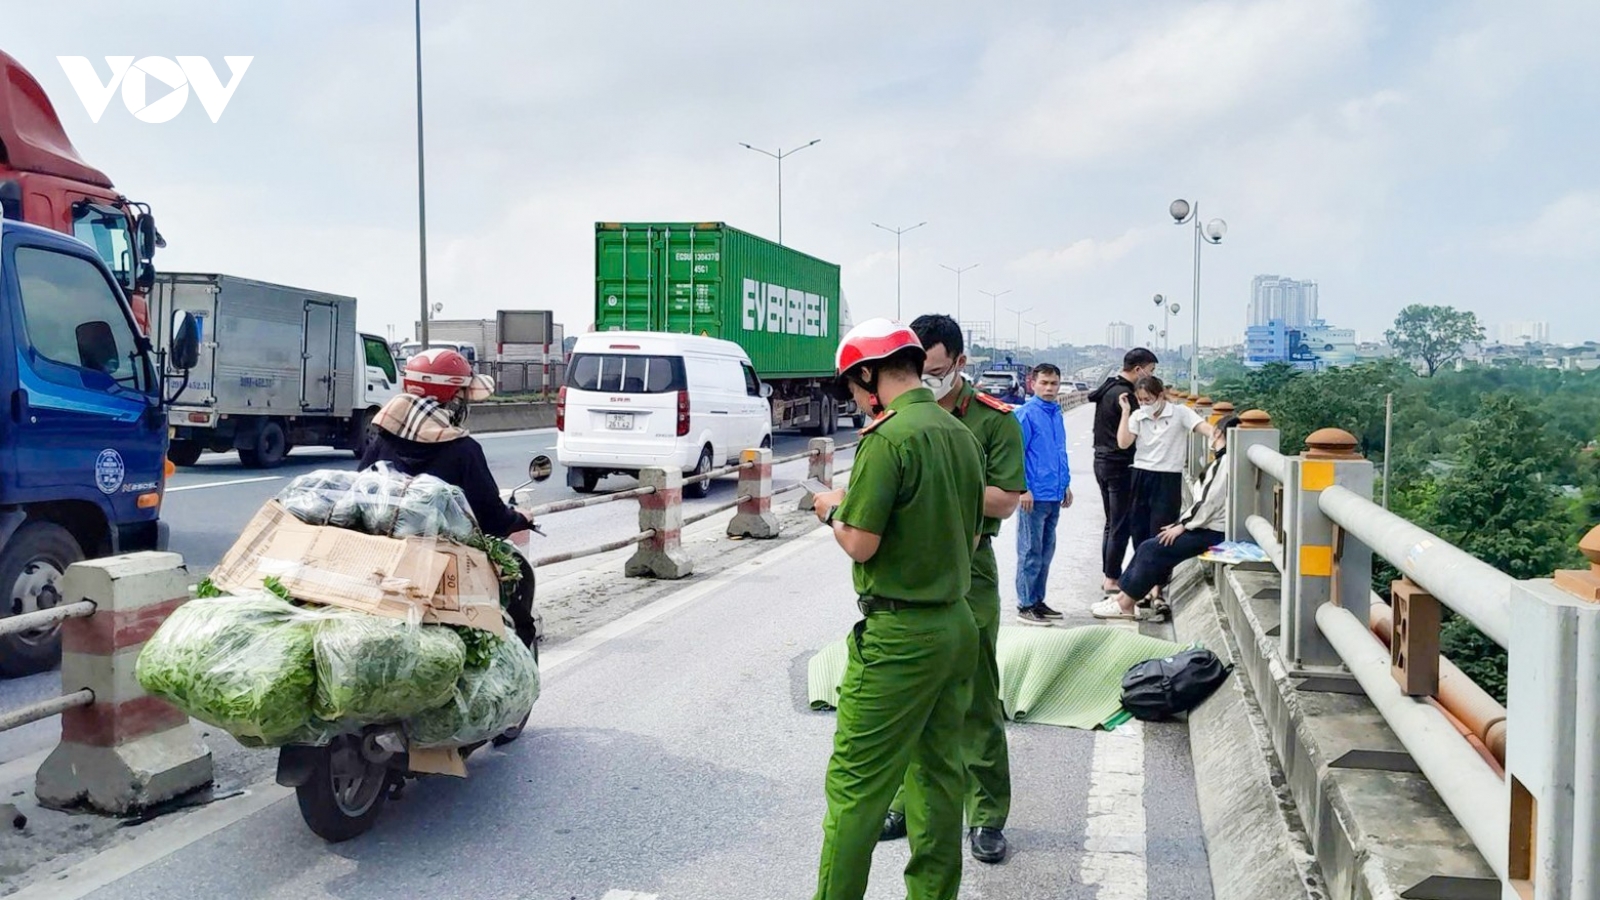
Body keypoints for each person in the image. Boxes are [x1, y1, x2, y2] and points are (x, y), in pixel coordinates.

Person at [808, 318, 986, 900]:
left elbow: (861, 542)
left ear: (868, 377)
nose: (856, 400)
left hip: (900, 637)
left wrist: (831, 510)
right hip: (956, 624)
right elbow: (972, 534)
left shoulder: (886, 440)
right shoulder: (961, 435)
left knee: (856, 789)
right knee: (939, 776)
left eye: (853, 388)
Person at [876, 315, 1026, 865]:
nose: (925, 379)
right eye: (919, 368)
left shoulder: (992, 420)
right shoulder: (893, 416)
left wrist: (936, 480)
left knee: (976, 694)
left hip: (969, 566)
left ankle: (985, 813)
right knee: (911, 695)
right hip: (908, 570)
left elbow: (1005, 499)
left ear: (960, 363)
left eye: (936, 369)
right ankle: (904, 803)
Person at [360, 348, 537, 643]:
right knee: (518, 593)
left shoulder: (381, 441)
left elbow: (361, 493)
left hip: (384, 559)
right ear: (451, 397)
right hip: (445, 563)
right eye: (460, 395)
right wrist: (519, 518)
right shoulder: (463, 450)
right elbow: (491, 519)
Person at [1094, 415, 1240, 619]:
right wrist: (1181, 523)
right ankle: (1122, 598)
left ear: (1218, 433)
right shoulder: (1227, 461)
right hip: (1209, 527)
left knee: (1153, 548)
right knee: (1149, 546)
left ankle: (1126, 604)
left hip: (1212, 531)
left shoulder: (1223, 463)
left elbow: (1207, 503)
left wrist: (1181, 526)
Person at [1114, 375, 1217, 601]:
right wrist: (1126, 412)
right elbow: (1123, 443)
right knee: (1139, 531)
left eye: (1148, 399)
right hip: (1141, 474)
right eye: (1140, 400)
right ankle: (1140, 587)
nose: (1144, 404)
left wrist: (1220, 440)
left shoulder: (1179, 413)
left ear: (1160, 395)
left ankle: (1157, 590)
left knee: (1161, 534)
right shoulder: (1138, 415)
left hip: (1168, 477)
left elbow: (1204, 428)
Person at [1087, 349, 1159, 594]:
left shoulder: (1108, 388)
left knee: (1112, 522)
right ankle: (1112, 578)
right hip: (1119, 463)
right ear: (1138, 369)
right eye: (1150, 371)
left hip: (1101, 461)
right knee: (1120, 524)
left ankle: (1109, 575)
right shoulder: (1126, 395)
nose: (1151, 375)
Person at [1012, 363, 1074, 626]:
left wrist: (1065, 485)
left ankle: (1038, 600)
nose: (1049, 388)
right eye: (1044, 383)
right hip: (1033, 496)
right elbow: (1016, 454)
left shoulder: (1055, 413)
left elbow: (1059, 452)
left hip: (1053, 494)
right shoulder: (1026, 414)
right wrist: (1022, 487)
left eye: (1054, 383)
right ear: (1032, 383)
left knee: (1046, 552)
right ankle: (1025, 604)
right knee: (1030, 552)